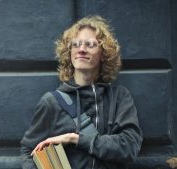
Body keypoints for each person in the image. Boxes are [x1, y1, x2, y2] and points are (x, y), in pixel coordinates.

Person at [20, 15, 143, 169]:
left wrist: (75, 139)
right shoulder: (51, 102)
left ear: (104, 54)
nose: (82, 50)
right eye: (76, 44)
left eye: (90, 44)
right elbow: (28, 152)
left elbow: (129, 148)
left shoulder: (119, 97)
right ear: (69, 52)